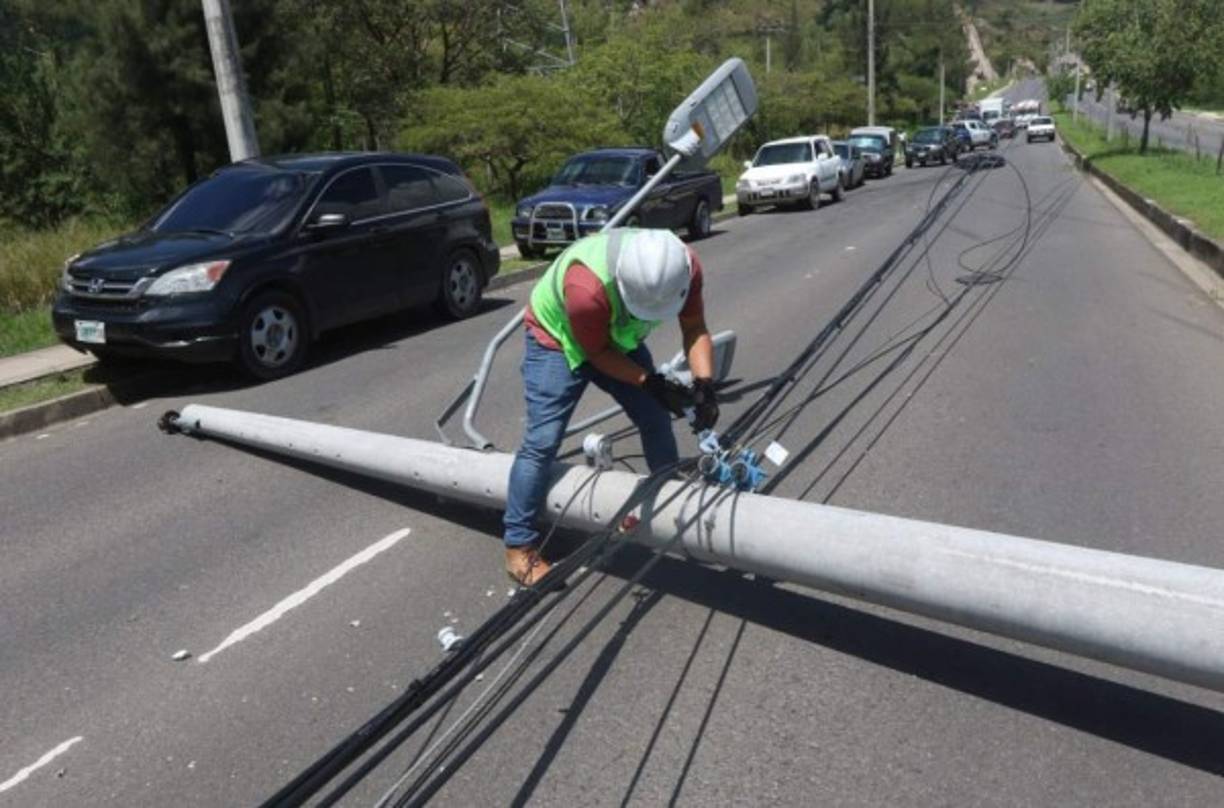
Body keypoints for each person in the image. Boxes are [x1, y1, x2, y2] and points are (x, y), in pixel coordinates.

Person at [503, 227, 719, 585]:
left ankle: (667, 495)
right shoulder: (587, 289)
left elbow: (694, 326)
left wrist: (705, 385)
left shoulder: (684, 266)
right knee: (543, 440)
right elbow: (596, 353)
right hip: (556, 337)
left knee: (654, 415)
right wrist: (649, 381)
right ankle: (518, 545)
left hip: (617, 331)